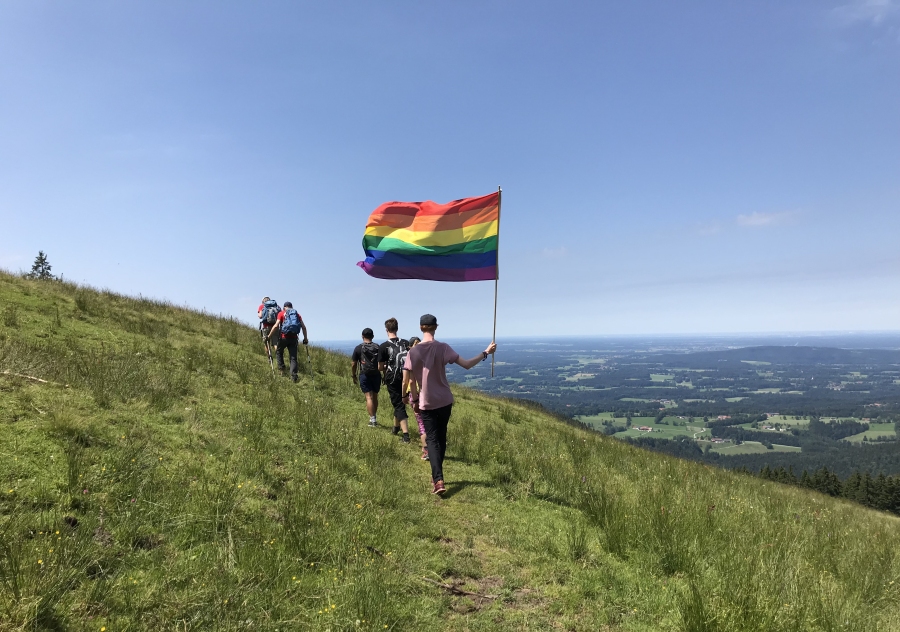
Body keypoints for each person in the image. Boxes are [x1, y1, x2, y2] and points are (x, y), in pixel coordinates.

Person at [402, 314, 496, 495]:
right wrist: (485, 353)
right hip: (445, 400)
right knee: (441, 437)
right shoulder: (443, 348)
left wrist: (410, 398)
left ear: (421, 328)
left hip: (426, 401)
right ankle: (437, 476)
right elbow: (467, 365)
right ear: (435, 327)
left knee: (431, 439)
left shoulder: (412, 353)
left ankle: (438, 480)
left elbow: (410, 380)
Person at [378, 317, 410, 443]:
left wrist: (388, 365)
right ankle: (396, 427)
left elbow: (380, 367)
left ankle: (406, 435)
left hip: (392, 377)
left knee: (398, 404)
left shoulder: (383, 346)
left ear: (386, 330)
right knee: (400, 402)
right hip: (406, 375)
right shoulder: (406, 343)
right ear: (397, 328)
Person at [267, 301, 308, 382]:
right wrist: (305, 339)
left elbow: (276, 325)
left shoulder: (281, 313)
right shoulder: (297, 315)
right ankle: (294, 376)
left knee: (279, 352)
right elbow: (303, 327)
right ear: (291, 307)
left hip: (283, 337)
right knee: (293, 358)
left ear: (284, 307)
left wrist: (269, 336)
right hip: (294, 338)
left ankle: (282, 369)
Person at [351, 328, 382, 427]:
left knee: (369, 397)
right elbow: (382, 362)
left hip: (364, 374)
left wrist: (354, 375)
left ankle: (372, 420)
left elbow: (353, 364)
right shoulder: (378, 347)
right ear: (372, 336)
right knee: (375, 396)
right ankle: (374, 416)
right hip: (376, 374)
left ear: (362, 336)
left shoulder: (358, 348)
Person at [405, 337, 428, 460]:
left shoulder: (411, 359)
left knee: (421, 423)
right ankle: (435, 448)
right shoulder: (426, 358)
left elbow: (411, 382)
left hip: (416, 394)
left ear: (409, 347)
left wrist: (413, 400)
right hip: (430, 393)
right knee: (430, 422)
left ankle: (426, 450)